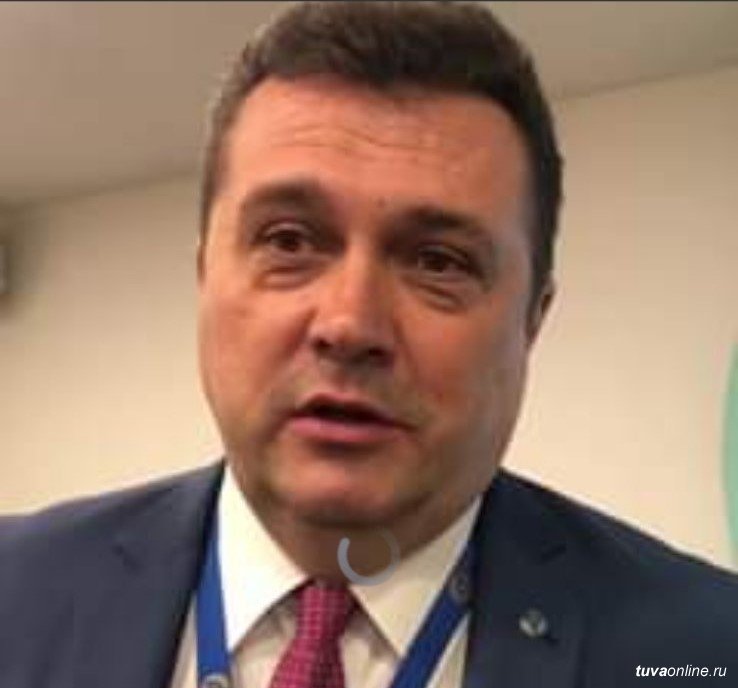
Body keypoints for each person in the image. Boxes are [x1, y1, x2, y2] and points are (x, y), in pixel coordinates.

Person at [1, 2, 737, 687]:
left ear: (531, 321)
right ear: (204, 277)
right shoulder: (16, 591)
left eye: (439, 262)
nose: (350, 325)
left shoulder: (707, 649)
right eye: (289, 241)